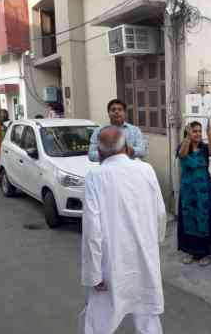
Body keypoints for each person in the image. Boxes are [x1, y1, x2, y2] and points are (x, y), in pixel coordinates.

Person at [82, 126, 166, 334]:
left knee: (99, 323)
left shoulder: (95, 176)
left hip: (112, 264)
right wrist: (154, 244)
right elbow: (160, 213)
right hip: (144, 257)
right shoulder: (146, 170)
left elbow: (92, 230)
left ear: (99, 152)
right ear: (127, 147)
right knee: (148, 319)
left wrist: (94, 273)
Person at [177, 120, 211, 266]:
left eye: (199, 131)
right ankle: (191, 251)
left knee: (204, 220)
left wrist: (209, 134)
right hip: (188, 190)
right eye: (195, 131)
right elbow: (182, 155)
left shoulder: (205, 148)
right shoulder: (182, 147)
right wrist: (187, 138)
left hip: (204, 189)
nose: (198, 134)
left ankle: (205, 253)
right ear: (188, 133)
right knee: (189, 220)